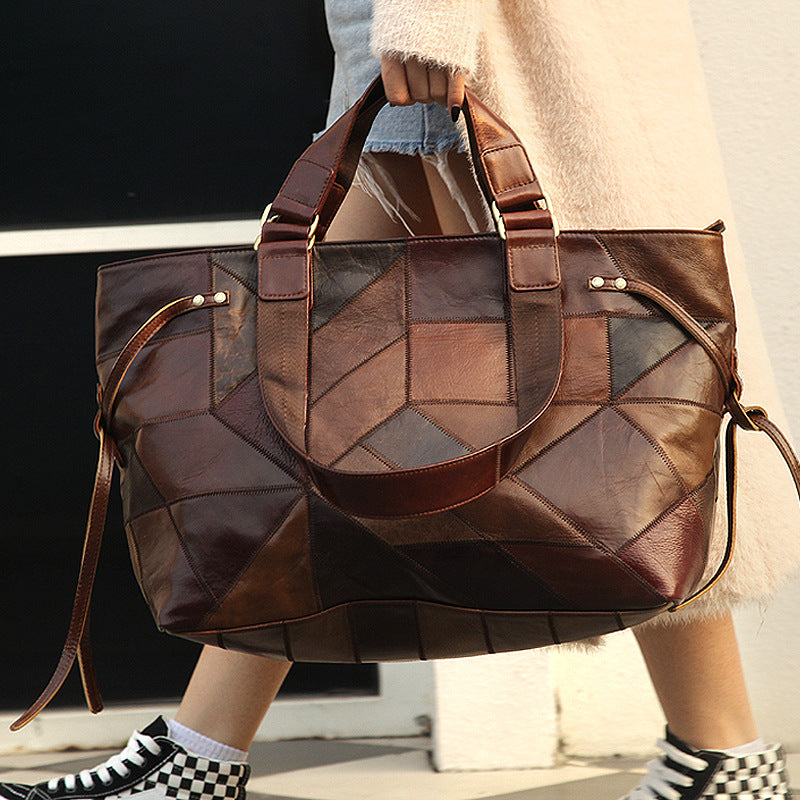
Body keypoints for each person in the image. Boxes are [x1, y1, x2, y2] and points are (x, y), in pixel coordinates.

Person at [2, 3, 798, 800]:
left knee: (320, 406)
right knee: (611, 407)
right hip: (485, 36)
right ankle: (724, 755)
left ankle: (196, 759)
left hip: (453, 32)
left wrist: (431, 19)